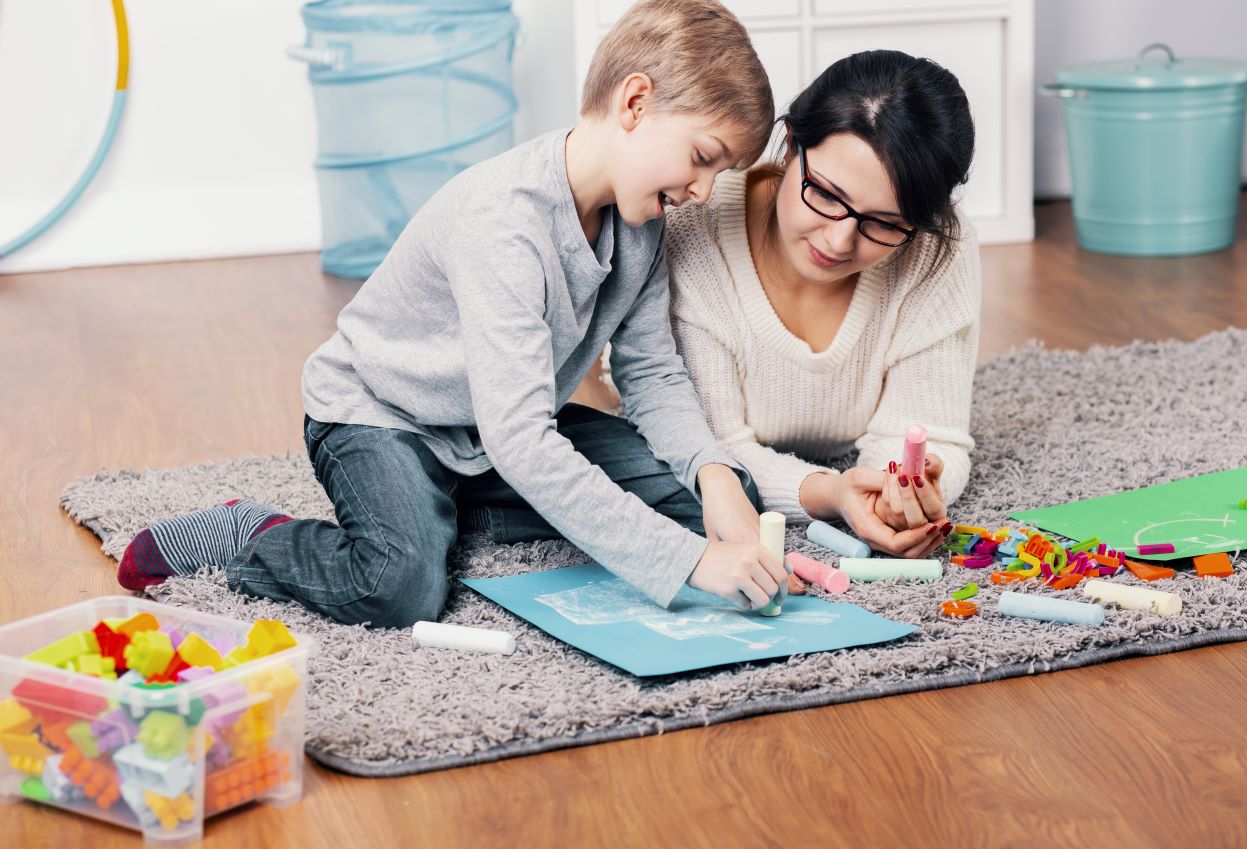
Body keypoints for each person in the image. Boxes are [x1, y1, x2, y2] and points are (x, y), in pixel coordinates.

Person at [115, 0, 787, 627]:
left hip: (488, 432)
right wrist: (689, 562)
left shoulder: (642, 229)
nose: (702, 193)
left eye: (720, 174)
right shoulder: (503, 223)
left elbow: (653, 376)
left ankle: (451, 510)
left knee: (709, 499)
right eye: (702, 158)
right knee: (399, 583)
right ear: (635, 102)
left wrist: (713, 474)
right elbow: (523, 439)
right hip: (382, 417)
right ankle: (253, 533)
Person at [666, 49, 979, 559]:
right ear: (791, 145)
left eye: (885, 223)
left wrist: (897, 493)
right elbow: (710, 452)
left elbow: (932, 432)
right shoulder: (695, 222)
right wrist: (831, 493)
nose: (838, 242)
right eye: (827, 195)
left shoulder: (936, 248)